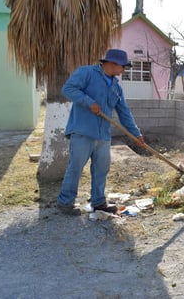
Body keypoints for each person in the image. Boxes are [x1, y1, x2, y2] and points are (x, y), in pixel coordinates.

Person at [57, 49, 145, 216]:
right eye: (122, 66)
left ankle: (98, 202)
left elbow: (124, 112)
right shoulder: (86, 73)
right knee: (75, 167)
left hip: (103, 135)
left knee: (101, 169)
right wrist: (89, 102)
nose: (123, 70)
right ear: (111, 64)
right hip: (82, 131)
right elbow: (68, 89)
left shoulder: (116, 88)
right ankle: (65, 203)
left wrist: (136, 134)